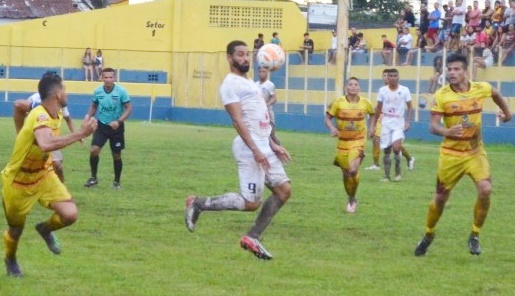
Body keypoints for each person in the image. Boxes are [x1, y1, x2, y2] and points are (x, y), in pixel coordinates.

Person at [184, 40, 292, 260]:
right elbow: (238, 120)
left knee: (283, 191)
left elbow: (259, 117)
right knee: (251, 203)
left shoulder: (251, 83)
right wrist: (256, 150)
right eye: (240, 54)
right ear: (229, 58)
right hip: (249, 148)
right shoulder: (230, 84)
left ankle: (253, 237)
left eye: (247, 54)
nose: (244, 58)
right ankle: (199, 203)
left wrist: (272, 144)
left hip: (264, 146)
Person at [414, 53, 512, 257]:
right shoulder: (442, 95)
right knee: (440, 198)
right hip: (451, 154)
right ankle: (428, 234)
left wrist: (507, 113)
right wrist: (447, 132)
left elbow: (495, 94)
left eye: (456, 69)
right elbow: (433, 126)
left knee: (485, 190)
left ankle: (475, 235)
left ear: (466, 71)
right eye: (449, 69)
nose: (452, 73)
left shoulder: (480, 88)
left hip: (475, 152)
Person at [2, 73, 97, 277]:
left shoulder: (58, 111)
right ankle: (10, 259)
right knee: (16, 230)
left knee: (70, 214)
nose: (67, 93)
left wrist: (21, 127)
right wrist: (80, 134)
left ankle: (45, 229)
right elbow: (45, 143)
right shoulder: (39, 114)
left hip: (43, 174)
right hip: (18, 181)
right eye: (65, 89)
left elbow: (19, 107)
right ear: (57, 93)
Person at [324, 77, 374, 213]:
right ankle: (351, 197)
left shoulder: (366, 103)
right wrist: (332, 128)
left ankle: (352, 197)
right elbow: (327, 118)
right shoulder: (338, 103)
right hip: (342, 142)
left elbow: (373, 114)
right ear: (346, 87)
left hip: (358, 141)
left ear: (359, 88)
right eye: (350, 84)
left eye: (355, 85)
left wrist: (371, 127)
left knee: (353, 170)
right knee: (346, 174)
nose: (353, 87)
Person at [12, 90, 79, 183]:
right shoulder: (36, 99)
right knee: (29, 166)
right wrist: (20, 134)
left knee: (57, 166)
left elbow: (68, 119)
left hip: (52, 137)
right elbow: (19, 106)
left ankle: (61, 189)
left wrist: (76, 134)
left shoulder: (60, 102)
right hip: (35, 137)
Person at [84, 68, 132, 190]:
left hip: (117, 128)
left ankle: (116, 182)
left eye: (111, 77)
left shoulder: (121, 91)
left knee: (116, 155)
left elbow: (128, 108)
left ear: (114, 78)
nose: (108, 79)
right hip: (102, 126)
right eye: (106, 77)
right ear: (102, 78)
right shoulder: (98, 91)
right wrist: (88, 116)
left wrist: (119, 121)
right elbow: (94, 105)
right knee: (94, 150)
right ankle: (93, 178)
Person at [366, 69, 415, 171]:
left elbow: (410, 106)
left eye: (392, 76)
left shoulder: (403, 90)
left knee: (394, 144)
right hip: (382, 118)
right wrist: (373, 125)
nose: (388, 78)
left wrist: (407, 121)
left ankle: (409, 158)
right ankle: (376, 164)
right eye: (385, 76)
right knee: (376, 140)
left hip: (395, 120)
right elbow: (378, 108)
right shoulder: (382, 91)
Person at [256, 67, 281, 145]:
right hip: (258, 113)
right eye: (260, 71)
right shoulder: (255, 85)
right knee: (259, 134)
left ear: (267, 73)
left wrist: (267, 104)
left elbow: (274, 98)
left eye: (264, 71)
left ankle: (280, 149)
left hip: (268, 113)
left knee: (272, 135)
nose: (261, 73)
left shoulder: (269, 85)